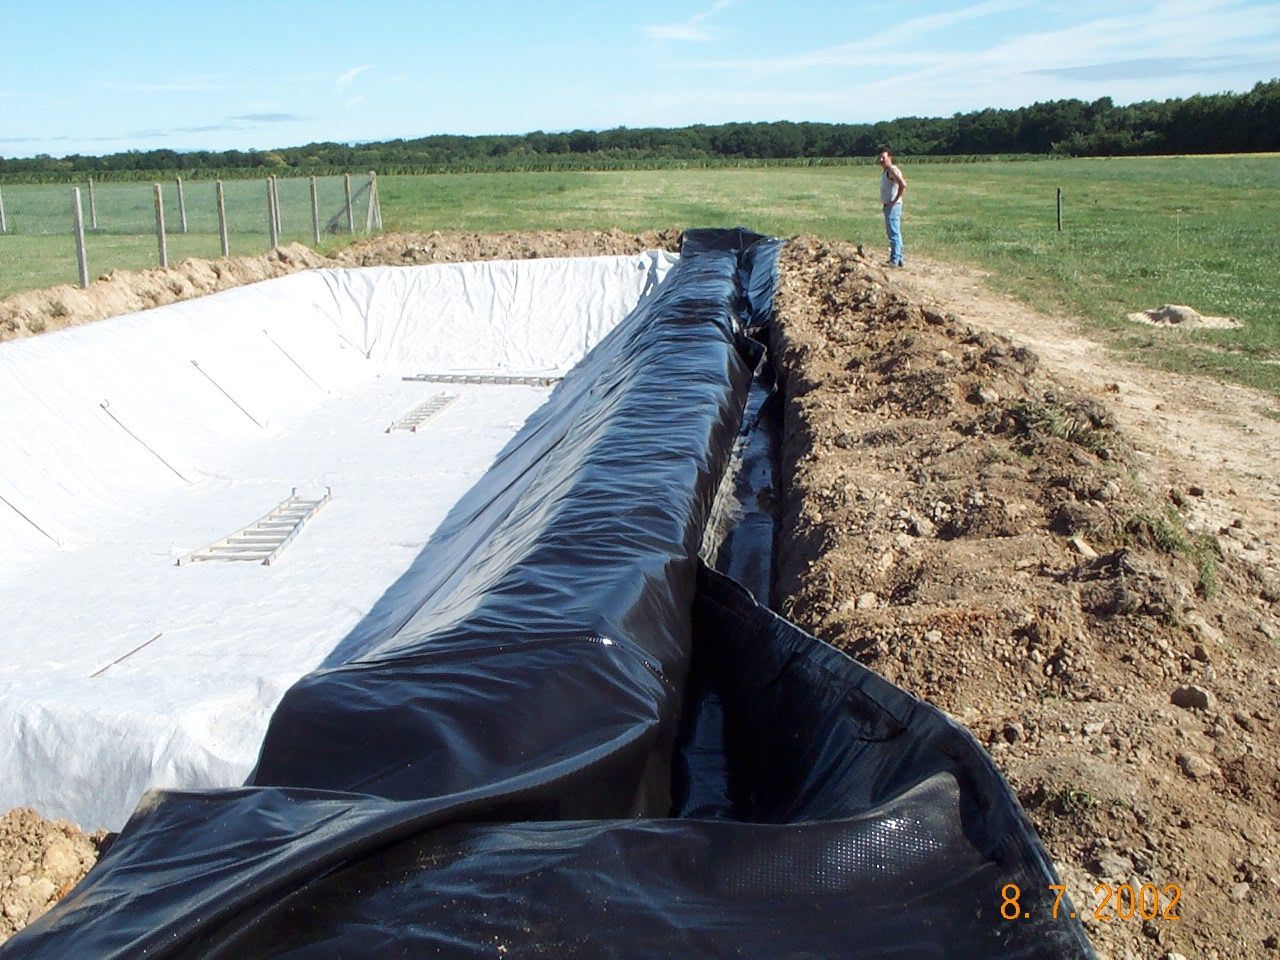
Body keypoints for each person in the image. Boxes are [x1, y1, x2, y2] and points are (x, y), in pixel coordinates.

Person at [876, 147, 906, 267]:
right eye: (880, 158)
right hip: (890, 205)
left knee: (893, 233)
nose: (881, 160)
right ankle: (899, 259)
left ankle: (894, 260)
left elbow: (902, 184)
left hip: (893, 206)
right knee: (895, 232)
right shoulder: (887, 171)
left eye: (883, 157)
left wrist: (894, 201)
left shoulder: (891, 170)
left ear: (890, 158)